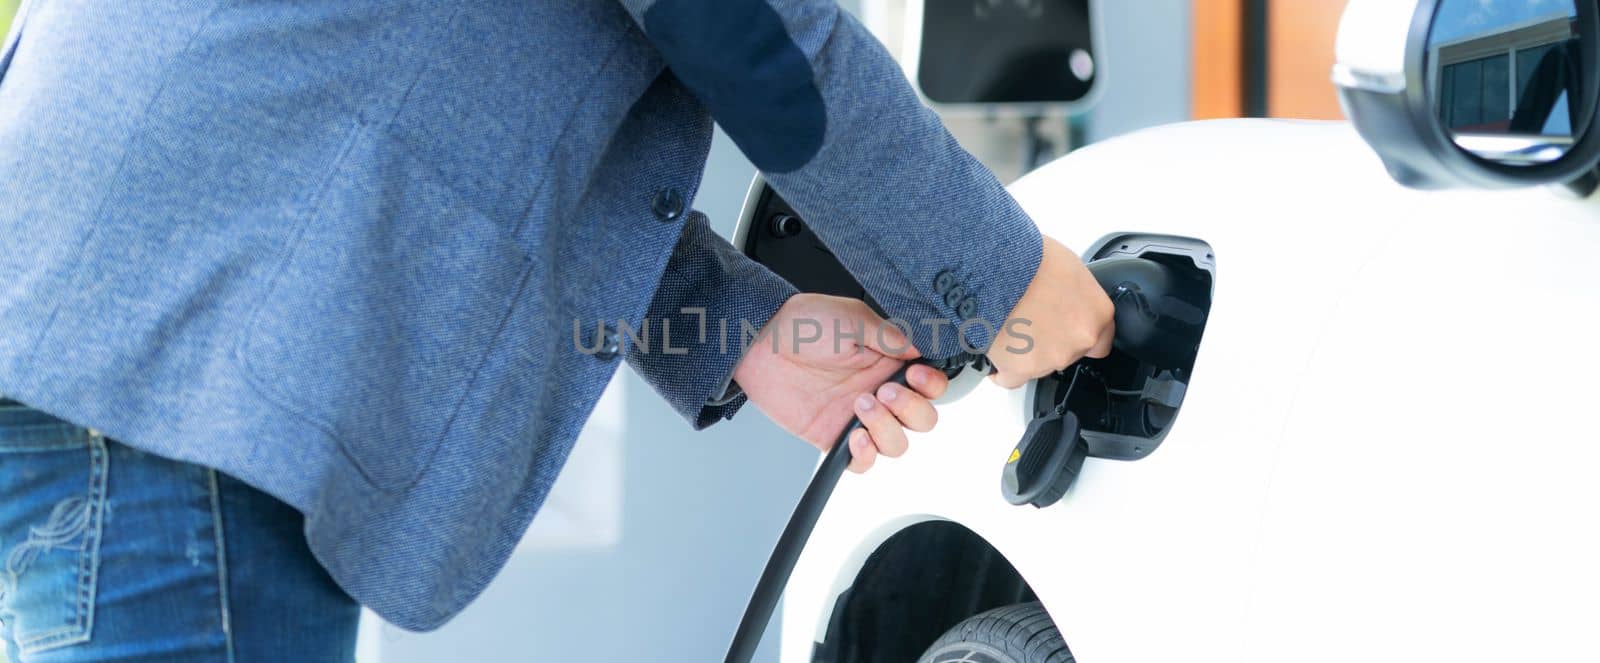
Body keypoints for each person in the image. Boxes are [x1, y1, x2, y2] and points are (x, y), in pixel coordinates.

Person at [0, 0, 1114, 659]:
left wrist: (743, 331)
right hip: (195, 343)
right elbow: (748, 27)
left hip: (134, 307)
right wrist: (1005, 285)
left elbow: (489, 98)